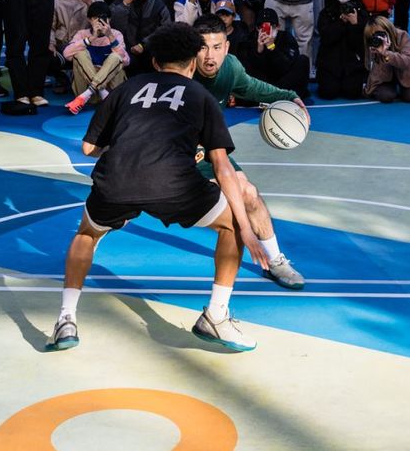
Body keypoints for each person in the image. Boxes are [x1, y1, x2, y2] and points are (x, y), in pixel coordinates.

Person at [47, 23, 265, 354]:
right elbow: (222, 168)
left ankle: (65, 319)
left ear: (154, 63)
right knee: (231, 224)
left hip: (117, 180)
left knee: (86, 234)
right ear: (193, 62)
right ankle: (216, 316)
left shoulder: (126, 89)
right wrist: (247, 230)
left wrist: (128, 148)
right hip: (175, 184)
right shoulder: (202, 96)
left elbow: (89, 149)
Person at [188, 15, 306, 289]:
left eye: (217, 47)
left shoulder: (230, 67)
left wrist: (287, 96)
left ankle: (275, 260)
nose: (210, 56)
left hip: (209, 151)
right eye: (203, 47)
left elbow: (252, 88)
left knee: (249, 195)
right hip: (170, 154)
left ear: (227, 47)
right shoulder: (181, 72)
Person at [63, 1, 129, 112]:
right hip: (88, 90)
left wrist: (110, 36)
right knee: (79, 54)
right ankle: (99, 92)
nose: (100, 22)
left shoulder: (116, 34)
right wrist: (91, 38)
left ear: (110, 20)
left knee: (116, 57)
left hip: (111, 90)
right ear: (89, 20)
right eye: (96, 19)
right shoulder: (82, 34)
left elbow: (126, 61)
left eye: (103, 18)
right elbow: (67, 54)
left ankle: (88, 94)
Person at [108, 0, 170, 75]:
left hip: (151, 53)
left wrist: (144, 45)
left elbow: (166, 30)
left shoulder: (158, 5)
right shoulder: (118, 3)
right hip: (124, 52)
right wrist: (125, 5)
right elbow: (112, 28)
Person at [315, 0, 368, 99]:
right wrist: (340, 23)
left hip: (352, 64)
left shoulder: (361, 13)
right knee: (328, 93)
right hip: (330, 63)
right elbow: (326, 39)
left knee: (352, 93)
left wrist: (355, 24)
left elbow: (360, 44)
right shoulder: (326, 12)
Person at [365, 15, 410, 103]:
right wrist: (378, 53)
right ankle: (395, 89)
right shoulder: (372, 42)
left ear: (388, 29)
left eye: (380, 33)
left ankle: (404, 89)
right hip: (385, 78)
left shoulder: (402, 36)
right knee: (385, 96)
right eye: (374, 35)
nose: (378, 38)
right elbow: (373, 69)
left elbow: (407, 62)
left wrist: (387, 53)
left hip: (408, 74)